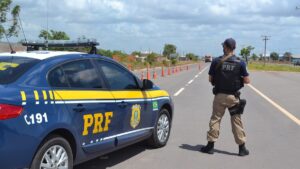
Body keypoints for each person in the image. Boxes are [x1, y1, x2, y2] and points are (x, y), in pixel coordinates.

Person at [200, 38, 250, 156]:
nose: (223, 47)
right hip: (233, 97)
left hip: (219, 96)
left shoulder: (216, 61)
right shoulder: (241, 62)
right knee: (236, 121)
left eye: (224, 46)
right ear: (234, 48)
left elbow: (210, 79)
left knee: (215, 119)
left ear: (226, 47)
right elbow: (247, 80)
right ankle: (242, 148)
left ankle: (210, 146)